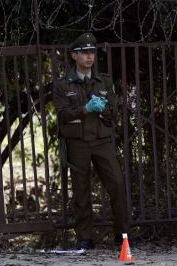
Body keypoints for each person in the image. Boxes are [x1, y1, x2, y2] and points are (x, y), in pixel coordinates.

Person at [53, 32, 131, 250]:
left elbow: (114, 111)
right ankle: (85, 237)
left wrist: (103, 108)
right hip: (77, 142)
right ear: (74, 56)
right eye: (84, 53)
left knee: (116, 183)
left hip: (101, 140)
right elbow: (62, 115)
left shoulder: (103, 81)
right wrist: (84, 109)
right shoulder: (62, 85)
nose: (89, 57)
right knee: (81, 190)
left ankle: (122, 235)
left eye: (92, 53)